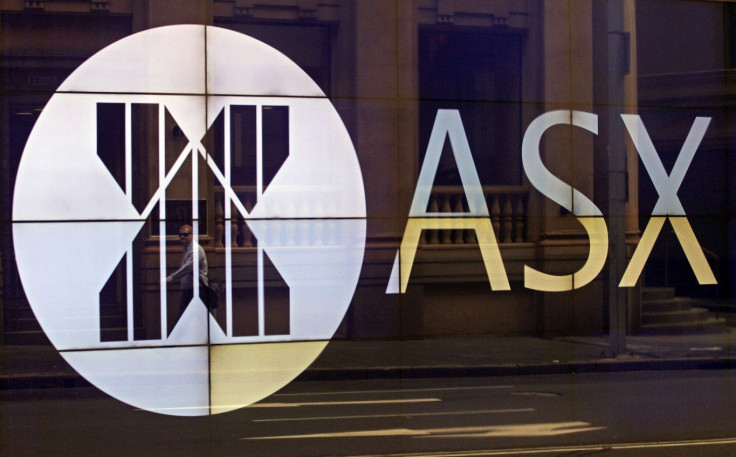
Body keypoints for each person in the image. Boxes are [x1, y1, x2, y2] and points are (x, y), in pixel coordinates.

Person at [167, 224, 210, 315]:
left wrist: (170, 279)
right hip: (189, 291)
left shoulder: (195, 250)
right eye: (180, 235)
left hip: (197, 291)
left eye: (185, 234)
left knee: (192, 321)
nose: (182, 237)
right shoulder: (187, 249)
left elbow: (187, 268)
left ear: (192, 235)